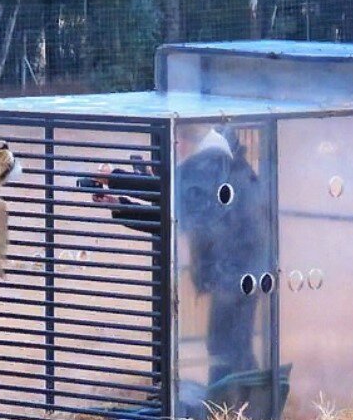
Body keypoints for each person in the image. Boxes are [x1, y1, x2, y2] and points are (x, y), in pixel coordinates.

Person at [79, 127, 267, 385]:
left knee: (228, 344)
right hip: (237, 268)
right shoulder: (217, 161)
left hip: (239, 270)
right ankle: (239, 405)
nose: (174, 150)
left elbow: (169, 194)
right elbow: (171, 218)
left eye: (175, 142)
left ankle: (235, 406)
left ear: (184, 139)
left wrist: (116, 177)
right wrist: (118, 203)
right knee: (230, 342)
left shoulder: (212, 161)